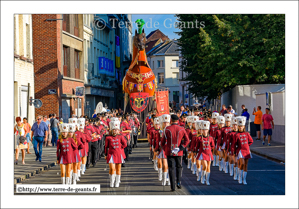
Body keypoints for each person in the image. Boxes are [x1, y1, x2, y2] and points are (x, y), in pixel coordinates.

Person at [161, 114, 190, 192]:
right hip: (179, 152)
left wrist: (165, 148)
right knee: (179, 167)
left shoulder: (167, 129)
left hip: (169, 151)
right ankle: (178, 182)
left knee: (171, 168)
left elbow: (162, 142)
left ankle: (172, 186)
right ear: (178, 121)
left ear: (171, 120)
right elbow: (187, 141)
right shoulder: (182, 129)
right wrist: (181, 148)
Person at [105, 120, 127, 187]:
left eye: (117, 130)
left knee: (118, 169)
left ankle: (117, 182)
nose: (115, 131)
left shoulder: (120, 136)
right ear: (111, 130)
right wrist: (106, 154)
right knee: (112, 168)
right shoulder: (108, 137)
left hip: (119, 154)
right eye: (114, 130)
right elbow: (106, 147)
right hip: (111, 154)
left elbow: (125, 144)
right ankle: (112, 182)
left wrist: (121, 148)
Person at [234, 117, 253, 185]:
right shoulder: (237, 135)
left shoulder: (247, 134)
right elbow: (234, 143)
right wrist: (235, 151)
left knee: (245, 165)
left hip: (246, 150)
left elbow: (251, 141)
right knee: (241, 163)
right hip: (240, 151)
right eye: (239, 126)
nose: (240, 127)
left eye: (241, 126)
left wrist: (247, 145)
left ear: (243, 126)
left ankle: (244, 179)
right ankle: (240, 177)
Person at [194, 121, 215, 185]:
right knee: (205, 166)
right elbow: (197, 146)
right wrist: (196, 152)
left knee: (208, 167)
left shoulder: (210, 138)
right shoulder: (199, 138)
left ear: (208, 130)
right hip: (202, 153)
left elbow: (213, 146)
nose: (204, 131)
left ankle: (207, 180)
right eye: (203, 130)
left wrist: (210, 150)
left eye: (206, 130)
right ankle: (202, 178)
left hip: (208, 153)